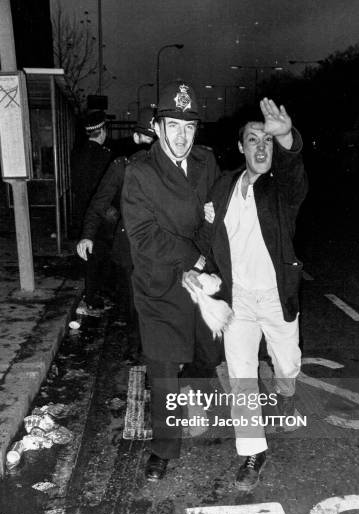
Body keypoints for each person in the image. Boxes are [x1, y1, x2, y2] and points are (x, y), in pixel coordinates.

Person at [184, 98, 308, 492]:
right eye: (253, 140)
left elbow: (294, 173)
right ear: (240, 147)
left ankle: (286, 387)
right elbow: (208, 240)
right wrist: (196, 269)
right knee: (241, 376)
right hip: (238, 301)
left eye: (266, 142)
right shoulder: (223, 188)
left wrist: (286, 135)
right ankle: (253, 452)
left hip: (275, 297)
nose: (260, 148)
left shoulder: (280, 191)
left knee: (287, 365)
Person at [121, 81, 221, 482]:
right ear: (157, 127)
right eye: (174, 126)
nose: (182, 136)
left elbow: (213, 217)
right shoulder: (139, 172)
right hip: (159, 284)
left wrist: (208, 253)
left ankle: (192, 395)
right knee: (162, 369)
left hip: (201, 288)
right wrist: (192, 257)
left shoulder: (205, 163)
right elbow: (143, 234)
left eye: (190, 127)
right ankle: (164, 448)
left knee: (209, 356)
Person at [76, 110, 156, 360]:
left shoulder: (174, 168)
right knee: (133, 302)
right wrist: (87, 234)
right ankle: (139, 348)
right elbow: (98, 202)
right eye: (146, 137)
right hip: (129, 246)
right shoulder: (122, 166)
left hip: (161, 247)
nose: (151, 143)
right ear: (136, 137)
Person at [71, 110, 113, 311]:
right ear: (102, 131)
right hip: (100, 214)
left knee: (88, 254)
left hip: (81, 210)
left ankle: (91, 294)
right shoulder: (104, 157)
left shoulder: (77, 153)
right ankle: (92, 296)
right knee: (98, 255)